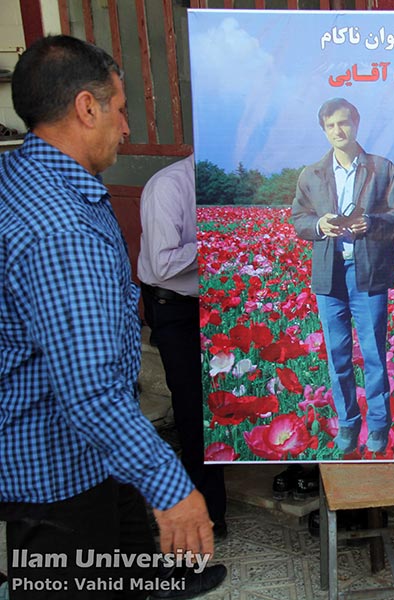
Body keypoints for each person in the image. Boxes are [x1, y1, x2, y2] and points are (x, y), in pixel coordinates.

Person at [0, 35, 225, 598]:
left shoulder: (28, 179)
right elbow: (91, 392)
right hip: (57, 478)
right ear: (86, 107)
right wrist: (172, 487)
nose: (126, 129)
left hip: (95, 458)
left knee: (134, 574)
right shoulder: (61, 229)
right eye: (121, 110)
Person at [291, 97, 394, 455]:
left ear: (356, 124)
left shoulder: (382, 168)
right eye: (330, 126)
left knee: (374, 354)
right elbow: (298, 219)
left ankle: (378, 425)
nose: (338, 131)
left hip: (369, 273)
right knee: (338, 356)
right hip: (330, 276)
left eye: (343, 123)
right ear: (324, 130)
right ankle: (347, 423)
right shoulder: (311, 174)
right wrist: (318, 224)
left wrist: (373, 223)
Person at [138, 154, 228, 540]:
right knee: (194, 410)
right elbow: (162, 265)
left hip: (216, 302)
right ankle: (205, 517)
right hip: (174, 305)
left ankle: (211, 506)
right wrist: (215, 244)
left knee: (224, 404)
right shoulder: (169, 186)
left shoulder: (222, 183)